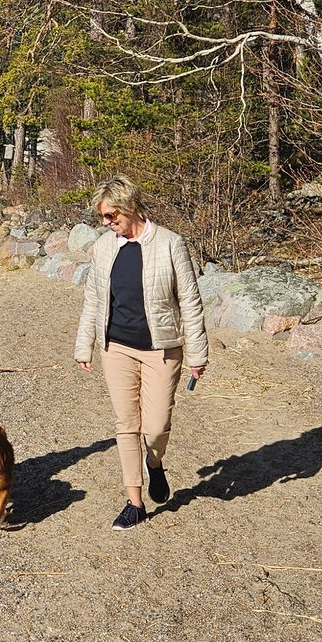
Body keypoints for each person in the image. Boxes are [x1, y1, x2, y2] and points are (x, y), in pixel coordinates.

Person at [73, 175, 209, 530]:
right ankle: (134, 502)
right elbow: (94, 299)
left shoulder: (170, 244)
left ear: (129, 207)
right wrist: (83, 344)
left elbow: (190, 303)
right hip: (115, 347)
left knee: (156, 426)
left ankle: (154, 463)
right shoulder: (104, 247)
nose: (106, 224)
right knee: (126, 425)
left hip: (161, 349)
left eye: (110, 216)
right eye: (103, 218)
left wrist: (198, 354)